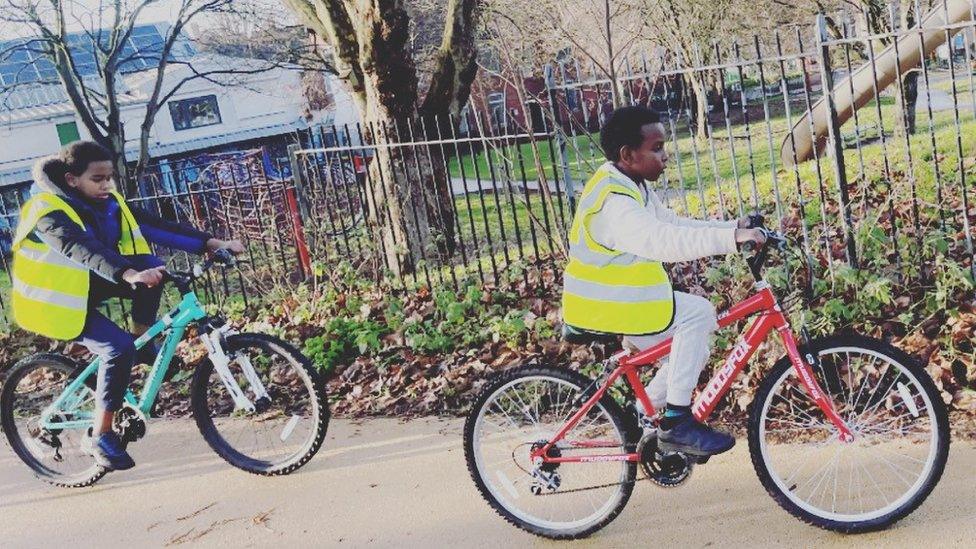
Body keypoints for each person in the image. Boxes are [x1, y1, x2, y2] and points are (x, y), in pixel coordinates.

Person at [10, 141, 244, 471]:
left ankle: (144, 342)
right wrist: (128, 273)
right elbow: (81, 248)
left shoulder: (107, 203)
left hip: (88, 286)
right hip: (54, 302)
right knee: (117, 348)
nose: (107, 185)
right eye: (98, 178)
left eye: (110, 178)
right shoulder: (47, 211)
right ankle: (101, 434)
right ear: (72, 179)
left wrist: (211, 244)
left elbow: (158, 226)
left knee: (155, 268)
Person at [561, 106, 766, 456]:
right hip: (605, 306)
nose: (665, 156)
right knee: (698, 314)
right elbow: (664, 242)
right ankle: (676, 423)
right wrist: (732, 241)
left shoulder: (627, 182)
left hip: (621, 299)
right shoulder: (615, 204)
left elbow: (673, 224)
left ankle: (644, 416)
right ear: (628, 154)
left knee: (694, 346)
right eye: (656, 148)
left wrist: (733, 229)